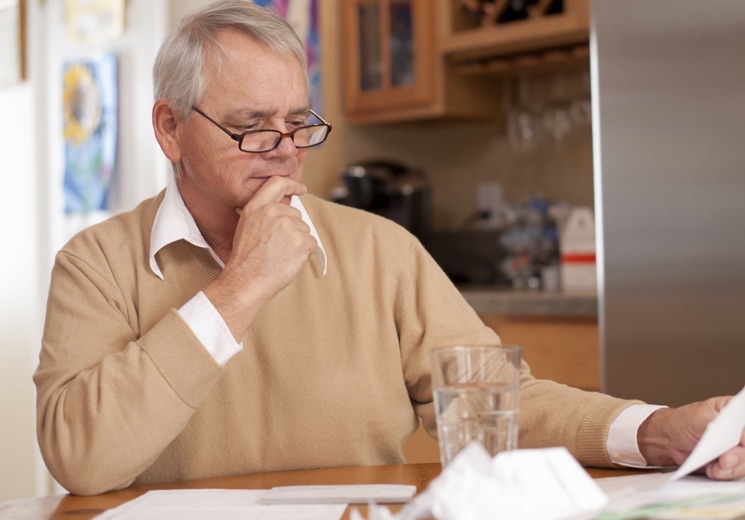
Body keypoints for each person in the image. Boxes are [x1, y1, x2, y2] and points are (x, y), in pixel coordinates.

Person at [34, 0, 745, 496]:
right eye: (252, 128)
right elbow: (83, 460)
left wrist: (653, 431)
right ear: (168, 129)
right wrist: (239, 289)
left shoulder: (382, 251)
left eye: (296, 125)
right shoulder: (96, 263)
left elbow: (501, 401)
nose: (284, 154)